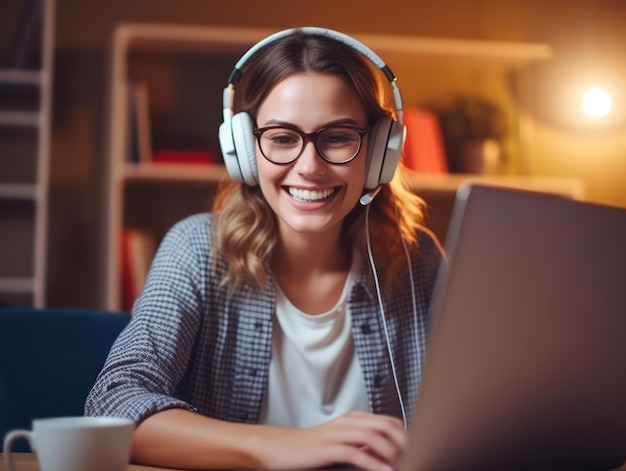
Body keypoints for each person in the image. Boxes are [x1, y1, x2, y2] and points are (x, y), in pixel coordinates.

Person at [85, 27, 444, 471]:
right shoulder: (196, 250)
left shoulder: (419, 260)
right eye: (281, 138)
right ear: (244, 150)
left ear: (378, 151)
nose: (309, 168)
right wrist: (279, 446)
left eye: (337, 137)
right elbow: (113, 403)